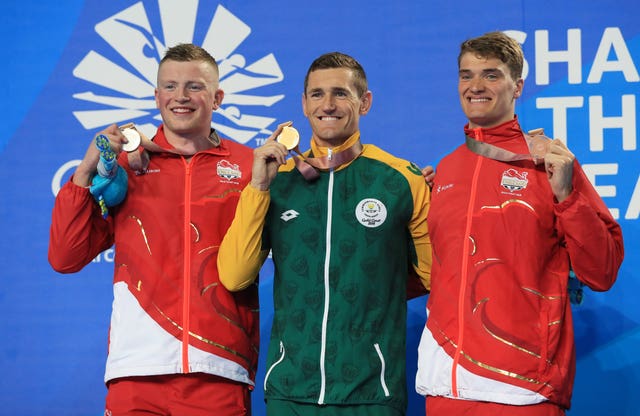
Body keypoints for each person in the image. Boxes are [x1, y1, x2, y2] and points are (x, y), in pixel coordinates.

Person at [415, 31, 624, 415]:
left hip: (522, 386)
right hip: (444, 382)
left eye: (491, 75)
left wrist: (568, 196)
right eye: (466, 75)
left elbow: (602, 271)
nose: (475, 86)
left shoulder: (549, 162)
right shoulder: (446, 169)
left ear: (518, 86)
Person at [217, 52, 431, 415]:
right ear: (303, 104)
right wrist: (257, 189)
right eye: (316, 94)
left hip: (372, 392)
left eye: (341, 94)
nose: (327, 105)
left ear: (365, 102)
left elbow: (435, 277)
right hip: (290, 391)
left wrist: (372, 296)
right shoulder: (277, 180)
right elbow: (235, 276)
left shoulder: (401, 180)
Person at [48, 43, 258, 415]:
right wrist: (85, 171)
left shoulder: (249, 167)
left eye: (194, 86)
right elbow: (66, 256)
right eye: (170, 86)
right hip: (136, 369)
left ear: (218, 97)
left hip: (219, 368)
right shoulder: (125, 167)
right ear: (157, 95)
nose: (181, 97)